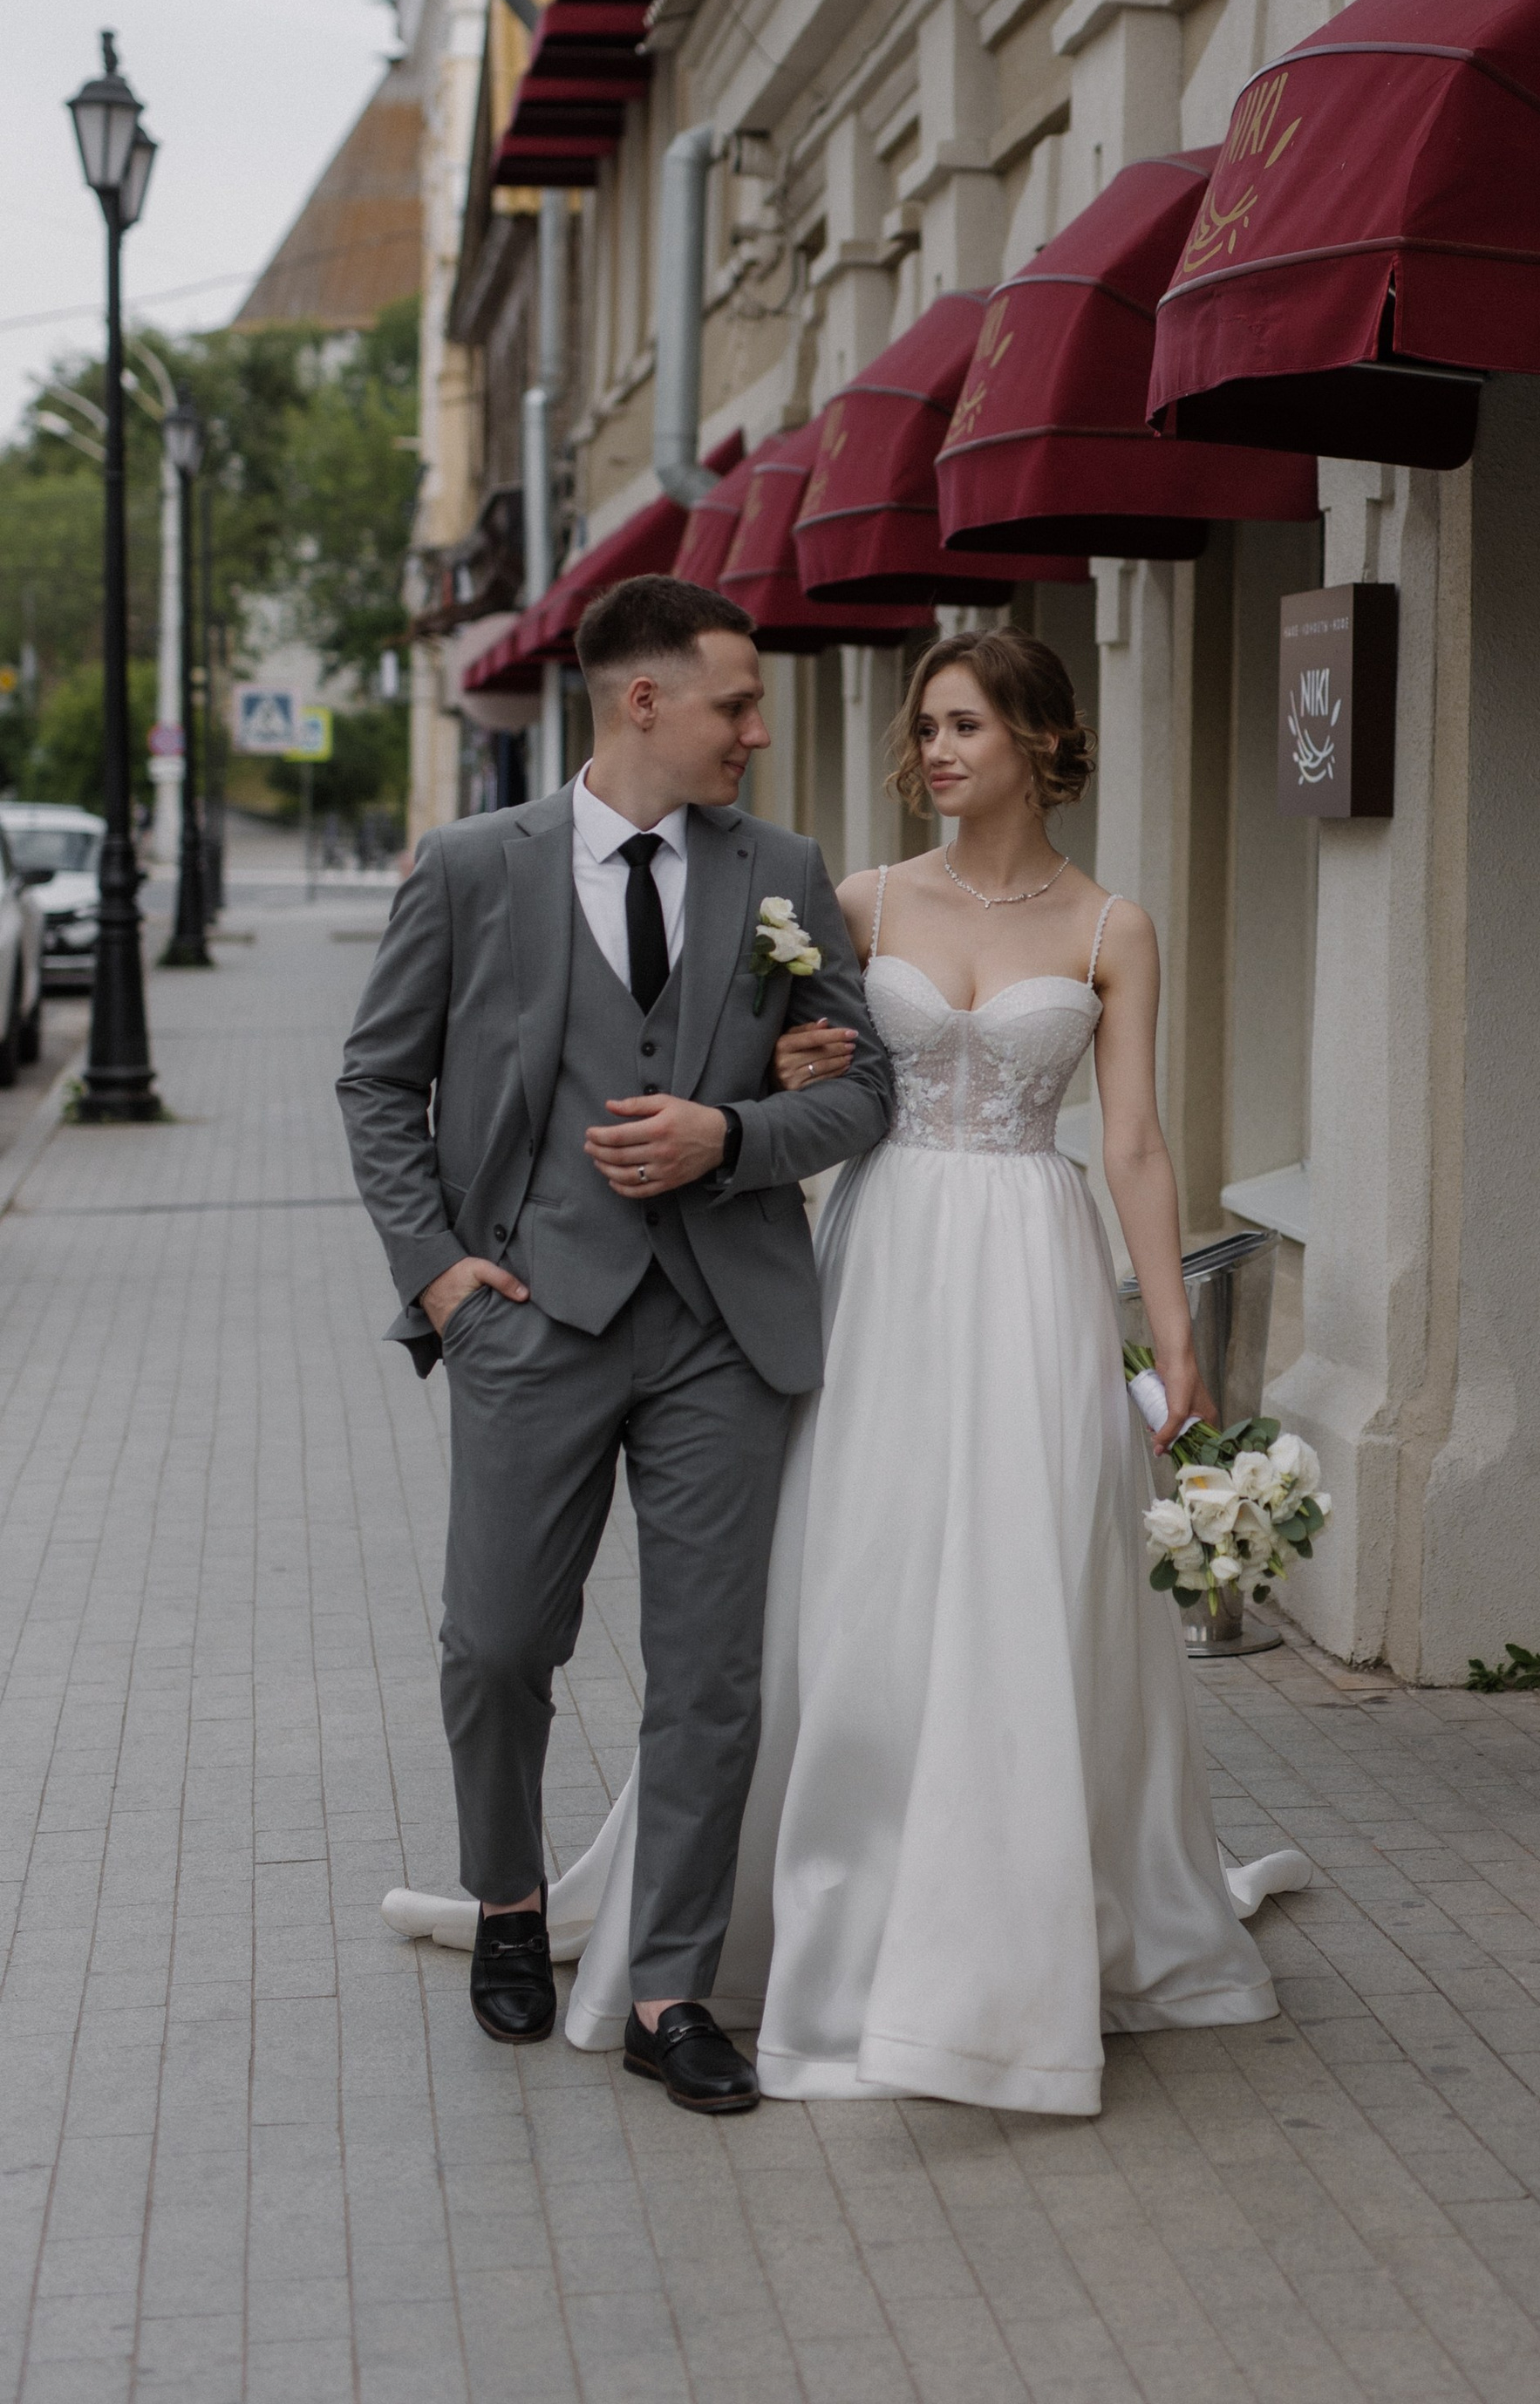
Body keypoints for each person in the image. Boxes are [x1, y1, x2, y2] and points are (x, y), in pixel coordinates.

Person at [381, 626, 1305, 2115]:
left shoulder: (1054, 916)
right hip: (814, 1283)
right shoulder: (835, 895)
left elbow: (1111, 1132)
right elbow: (781, 1054)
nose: (929, 752)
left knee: (938, 1607)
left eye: (960, 728)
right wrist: (446, 1267)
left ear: (1040, 743)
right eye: (922, 728)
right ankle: (559, 1899)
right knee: (675, 1618)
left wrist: (1174, 1336)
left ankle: (804, 1960)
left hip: (985, 1280)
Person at [338, 575, 890, 2115]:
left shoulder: (782, 868)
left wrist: (733, 1132)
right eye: (736, 704)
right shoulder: (469, 868)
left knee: (711, 1673)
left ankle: (667, 1991)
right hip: (530, 1313)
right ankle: (508, 1899)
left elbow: (865, 1098)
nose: (758, 733)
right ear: (642, 700)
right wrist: (441, 1274)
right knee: (499, 1641)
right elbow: (378, 1086)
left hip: (726, 1324)